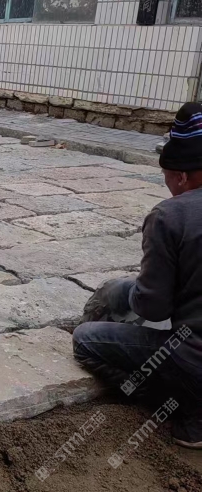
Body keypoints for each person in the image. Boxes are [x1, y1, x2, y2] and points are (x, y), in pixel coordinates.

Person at [73, 101, 202, 449]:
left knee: (85, 340)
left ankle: (183, 407)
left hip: (195, 362)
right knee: (120, 290)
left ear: (182, 176)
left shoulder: (171, 215)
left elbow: (153, 308)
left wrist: (132, 292)